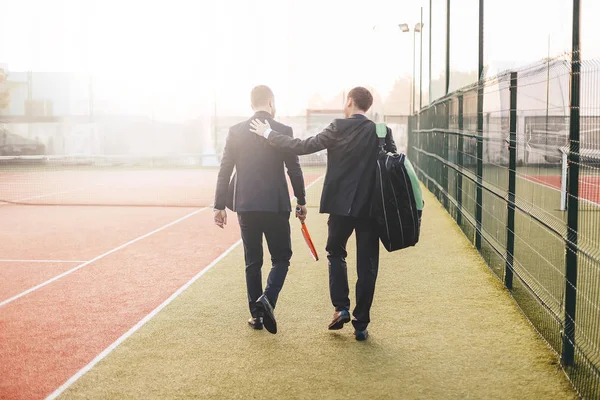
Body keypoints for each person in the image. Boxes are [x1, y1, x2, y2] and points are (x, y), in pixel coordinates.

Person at [249, 86, 396, 341]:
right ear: (368, 106)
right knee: (367, 265)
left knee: (336, 253)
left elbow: (302, 146)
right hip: (371, 209)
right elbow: (393, 164)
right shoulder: (381, 131)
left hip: (340, 207)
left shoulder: (337, 127)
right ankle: (361, 324)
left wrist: (269, 133)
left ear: (349, 101)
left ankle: (341, 308)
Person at [214, 85, 307, 334]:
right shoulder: (282, 130)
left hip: (245, 206)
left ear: (251, 103)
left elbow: (225, 169)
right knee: (281, 259)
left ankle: (256, 316)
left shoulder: (236, 132)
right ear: (271, 102)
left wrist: (219, 205)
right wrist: (301, 200)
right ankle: (268, 299)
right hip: (275, 206)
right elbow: (294, 169)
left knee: (252, 262)